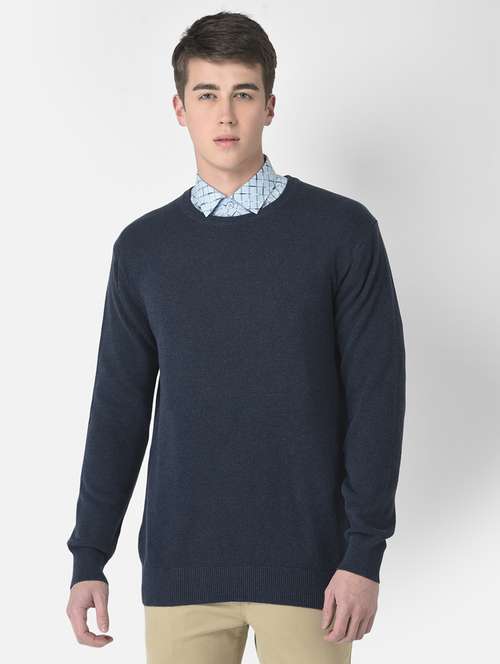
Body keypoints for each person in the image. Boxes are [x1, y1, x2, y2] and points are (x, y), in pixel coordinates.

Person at [65, 11, 406, 664]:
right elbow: (118, 409)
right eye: (207, 94)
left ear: (270, 106)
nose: (225, 115)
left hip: (312, 569)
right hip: (181, 567)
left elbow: (376, 398)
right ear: (180, 108)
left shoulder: (342, 233)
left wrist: (364, 551)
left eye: (243, 93)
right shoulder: (144, 249)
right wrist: (89, 556)